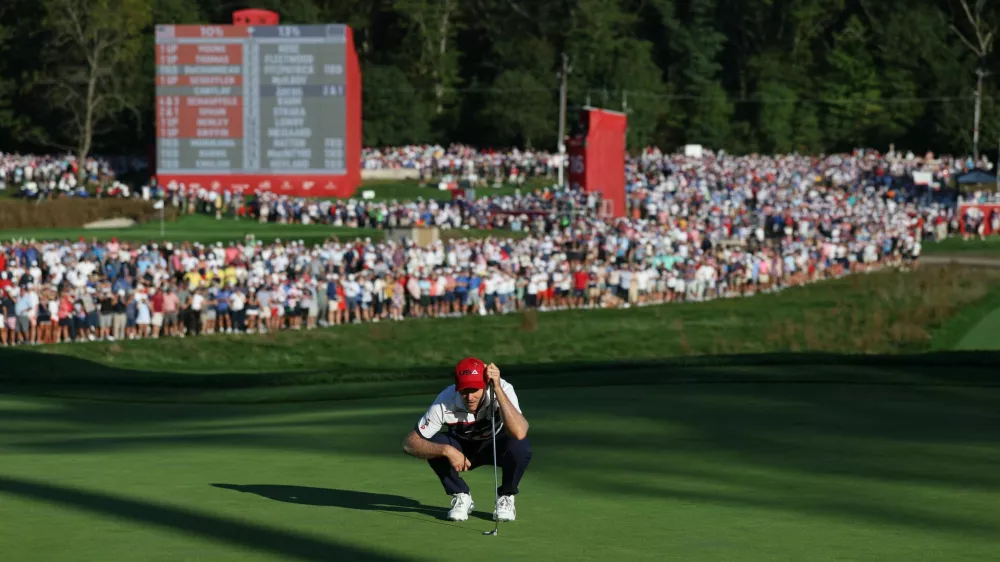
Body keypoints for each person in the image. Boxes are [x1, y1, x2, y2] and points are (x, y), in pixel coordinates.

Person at [402, 357, 532, 523]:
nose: (469, 397)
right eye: (464, 391)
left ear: (485, 384)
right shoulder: (445, 400)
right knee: (434, 442)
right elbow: (409, 443)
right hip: (462, 449)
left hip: (495, 447)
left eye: (474, 389)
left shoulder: (503, 388)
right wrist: (446, 450)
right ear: (457, 388)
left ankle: (505, 496)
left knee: (520, 446)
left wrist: (498, 388)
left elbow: (520, 432)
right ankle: (461, 495)